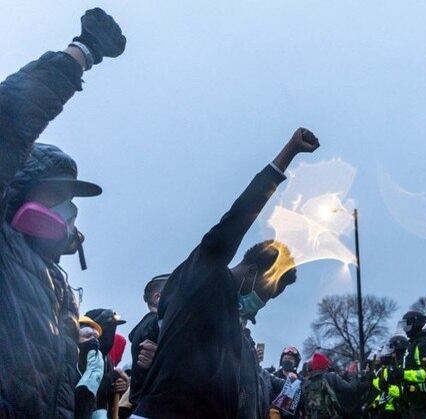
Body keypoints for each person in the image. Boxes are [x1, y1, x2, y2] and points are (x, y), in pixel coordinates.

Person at [133, 128, 319, 418]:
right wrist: (287, 154)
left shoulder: (234, 321)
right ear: (254, 272)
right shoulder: (203, 276)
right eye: (267, 293)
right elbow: (238, 217)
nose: (264, 302)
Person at [0, 8, 125, 418]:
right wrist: (81, 53)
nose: (68, 210)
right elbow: (9, 122)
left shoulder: (59, 286)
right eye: (56, 194)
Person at [127, 273, 168, 411]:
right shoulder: (156, 323)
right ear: (158, 298)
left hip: (142, 406)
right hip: (154, 408)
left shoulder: (144, 324)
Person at [86, 308, 131, 418]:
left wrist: (120, 389)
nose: (110, 334)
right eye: (107, 328)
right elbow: (87, 392)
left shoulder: (107, 361)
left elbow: (106, 398)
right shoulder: (82, 355)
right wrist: (111, 377)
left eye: (113, 328)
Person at [395, 310, 426, 418]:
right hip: (414, 403)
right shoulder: (413, 344)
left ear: (415, 324)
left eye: (407, 326)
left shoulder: (424, 344)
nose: (406, 330)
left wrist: (405, 375)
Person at [302, 351, 363, 419]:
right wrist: (356, 376)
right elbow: (350, 388)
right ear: (324, 365)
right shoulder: (331, 376)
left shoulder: (306, 383)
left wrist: (346, 373)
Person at [369, 335, 409, 418]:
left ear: (398, 350)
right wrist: (375, 403)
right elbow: (382, 389)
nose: (390, 352)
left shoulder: (404, 365)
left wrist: (387, 387)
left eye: (392, 349)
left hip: (399, 411)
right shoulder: (391, 367)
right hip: (387, 410)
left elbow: (403, 390)